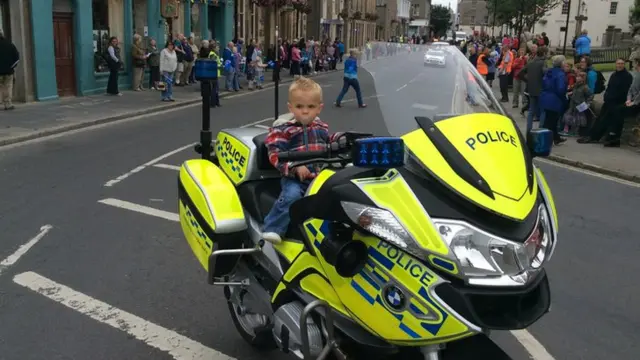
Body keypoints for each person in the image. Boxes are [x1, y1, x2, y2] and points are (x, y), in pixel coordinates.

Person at [261, 78, 343, 244]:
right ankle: (273, 227)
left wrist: (340, 140)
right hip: (294, 178)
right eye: (299, 106)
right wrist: (294, 167)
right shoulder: (284, 130)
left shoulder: (321, 127)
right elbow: (275, 153)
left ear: (319, 108)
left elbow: (327, 143)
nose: (305, 111)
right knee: (291, 196)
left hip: (318, 175)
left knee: (340, 192)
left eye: (310, 107)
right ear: (290, 107)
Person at [578, 58, 633, 147]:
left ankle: (613, 140)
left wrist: (613, 98)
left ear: (624, 64)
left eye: (622, 64)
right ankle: (593, 136)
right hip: (609, 101)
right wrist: (606, 96)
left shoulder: (627, 76)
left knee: (615, 122)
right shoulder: (614, 75)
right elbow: (609, 87)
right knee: (601, 119)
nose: (620, 65)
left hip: (618, 102)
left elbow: (625, 91)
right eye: (618, 63)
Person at [539, 55, 568, 145]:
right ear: (562, 63)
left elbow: (544, 83)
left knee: (551, 119)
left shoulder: (549, 72)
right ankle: (542, 140)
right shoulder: (560, 74)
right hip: (555, 100)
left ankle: (556, 138)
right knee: (550, 121)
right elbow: (560, 89)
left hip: (545, 97)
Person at [519, 47, 547, 133]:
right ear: (544, 54)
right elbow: (545, 74)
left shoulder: (530, 63)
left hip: (531, 88)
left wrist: (527, 80)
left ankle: (529, 129)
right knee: (543, 110)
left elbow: (520, 73)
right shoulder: (543, 63)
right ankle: (540, 129)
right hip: (541, 89)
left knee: (531, 110)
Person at [0, 30, 20, 110]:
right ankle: (7, 104)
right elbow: (17, 57)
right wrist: (12, 66)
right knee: (8, 87)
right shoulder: (10, 45)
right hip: (8, 71)